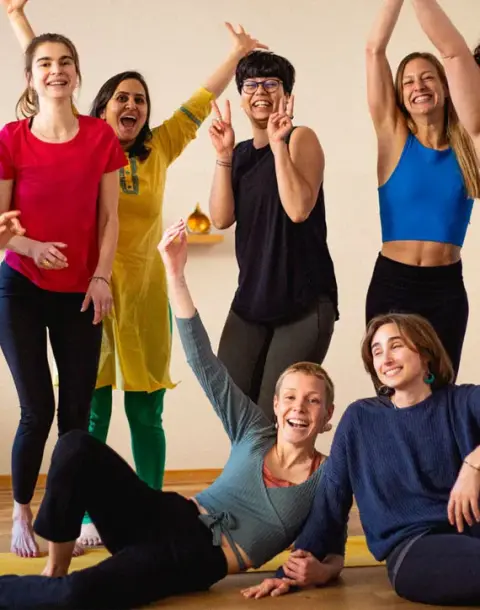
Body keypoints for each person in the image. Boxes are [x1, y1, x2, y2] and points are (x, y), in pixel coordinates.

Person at [2, 0, 269, 548]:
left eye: (140, 99)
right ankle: (81, 519)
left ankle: (146, 513)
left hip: (143, 295)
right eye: (121, 96)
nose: (132, 104)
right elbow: (45, 81)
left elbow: (198, 103)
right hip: (82, 292)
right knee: (88, 411)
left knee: (146, 413)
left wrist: (236, 54)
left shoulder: (159, 147)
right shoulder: (82, 137)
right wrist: (17, 21)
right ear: (101, 105)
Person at [0, 219, 341, 609]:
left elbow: (333, 548)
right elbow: (203, 362)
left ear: (327, 414)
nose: (299, 407)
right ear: (277, 406)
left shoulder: (327, 476)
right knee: (76, 445)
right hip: (167, 512)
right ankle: (53, 569)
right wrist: (175, 273)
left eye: (313, 401)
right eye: (291, 397)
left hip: (196, 556)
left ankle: (45, 588)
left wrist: (321, 572)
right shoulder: (254, 431)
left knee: (79, 595)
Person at [244, 312, 480, 605]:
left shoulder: (463, 401)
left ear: (426, 353)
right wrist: (291, 571)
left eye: (396, 346)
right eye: (377, 351)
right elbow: (332, 498)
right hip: (416, 547)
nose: (386, 358)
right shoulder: (361, 418)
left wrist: (474, 463)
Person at [0, 23, 127, 561]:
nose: (57, 70)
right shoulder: (11, 138)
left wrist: (101, 276)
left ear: (77, 74)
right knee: (38, 409)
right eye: (45, 63)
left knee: (78, 413)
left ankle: (68, 518)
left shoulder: (100, 136)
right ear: (31, 77)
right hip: (21, 287)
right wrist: (28, 247)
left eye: (65, 61)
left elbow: (110, 218)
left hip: (80, 292)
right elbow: (1, 224)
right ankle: (22, 511)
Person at [208, 50, 338, 421]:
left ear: (286, 93)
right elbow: (220, 218)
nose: (260, 91)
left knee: (274, 413)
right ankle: (247, 479)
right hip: (251, 300)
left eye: (271, 83)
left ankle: (278, 479)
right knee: (230, 402)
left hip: (303, 301)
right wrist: (223, 155)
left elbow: (298, 208)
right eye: (251, 84)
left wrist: (278, 143)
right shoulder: (241, 153)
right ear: (240, 94)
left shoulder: (301, 139)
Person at [363, 0, 480, 379]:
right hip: (394, 284)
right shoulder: (393, 136)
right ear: (399, 94)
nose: (418, 86)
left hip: (446, 287)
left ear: (446, 88)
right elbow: (373, 49)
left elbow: (455, 52)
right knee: (393, 395)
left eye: (428, 77)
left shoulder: (470, 144)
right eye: (409, 81)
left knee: (442, 395)